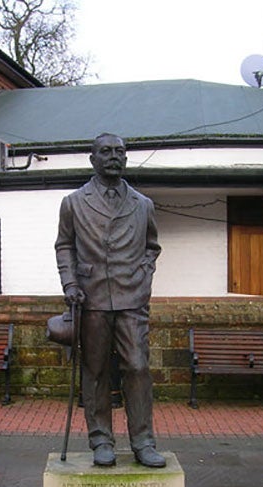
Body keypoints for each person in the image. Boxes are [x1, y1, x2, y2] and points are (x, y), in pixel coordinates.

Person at [54, 132, 166, 468]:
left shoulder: (142, 204)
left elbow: (152, 247)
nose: (114, 156)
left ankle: (143, 442)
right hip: (91, 298)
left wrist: (144, 277)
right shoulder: (74, 202)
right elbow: (64, 246)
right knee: (96, 370)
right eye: (106, 151)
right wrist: (70, 283)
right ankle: (100, 440)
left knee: (138, 367)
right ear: (93, 159)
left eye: (120, 151)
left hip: (132, 298)